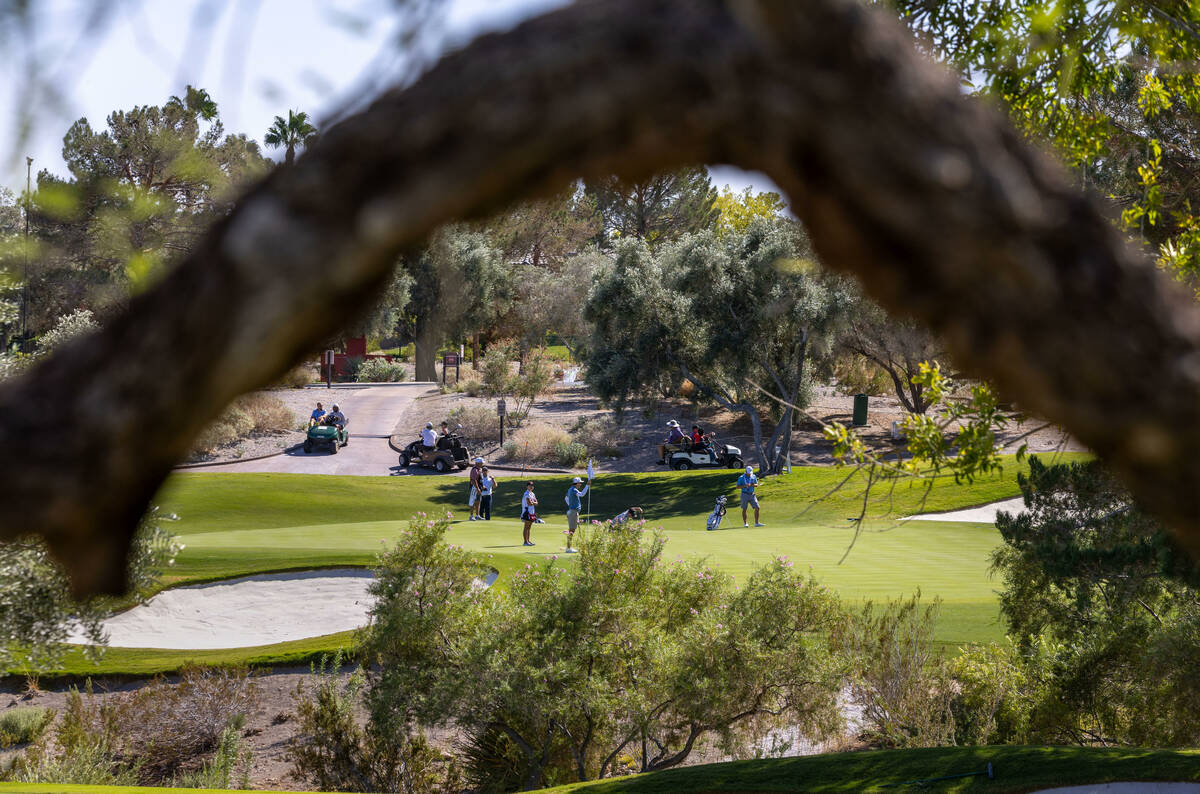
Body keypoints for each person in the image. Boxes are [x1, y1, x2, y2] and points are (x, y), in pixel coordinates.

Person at [563, 475, 590, 553]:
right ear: (576, 483)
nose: (580, 484)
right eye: (580, 483)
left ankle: (569, 547)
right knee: (571, 531)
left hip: (573, 511)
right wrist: (587, 485)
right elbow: (582, 494)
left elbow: (566, 498)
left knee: (572, 530)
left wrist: (571, 506)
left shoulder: (570, 489)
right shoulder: (574, 490)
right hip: (573, 511)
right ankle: (568, 548)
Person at [521, 481, 539, 546]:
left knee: (529, 527)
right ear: (527, 486)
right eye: (530, 485)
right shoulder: (526, 493)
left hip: (532, 512)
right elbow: (529, 503)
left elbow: (536, 503)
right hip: (526, 512)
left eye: (532, 485)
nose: (531, 486)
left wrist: (533, 502)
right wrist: (533, 502)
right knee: (526, 527)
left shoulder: (532, 494)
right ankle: (525, 542)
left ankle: (528, 541)